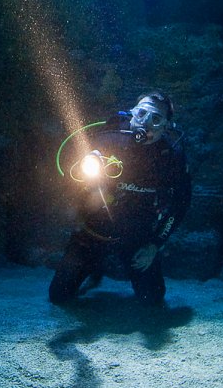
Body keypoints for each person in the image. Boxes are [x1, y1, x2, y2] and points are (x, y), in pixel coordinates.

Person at [49, 91, 191, 306]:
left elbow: (181, 202)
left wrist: (154, 244)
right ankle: (92, 266)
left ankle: (104, 266)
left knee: (153, 299)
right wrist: (83, 165)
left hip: (137, 238)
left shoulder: (170, 157)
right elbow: (70, 180)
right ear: (132, 114)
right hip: (92, 233)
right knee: (58, 296)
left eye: (156, 119)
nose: (146, 123)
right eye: (142, 113)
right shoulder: (108, 139)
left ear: (166, 126)